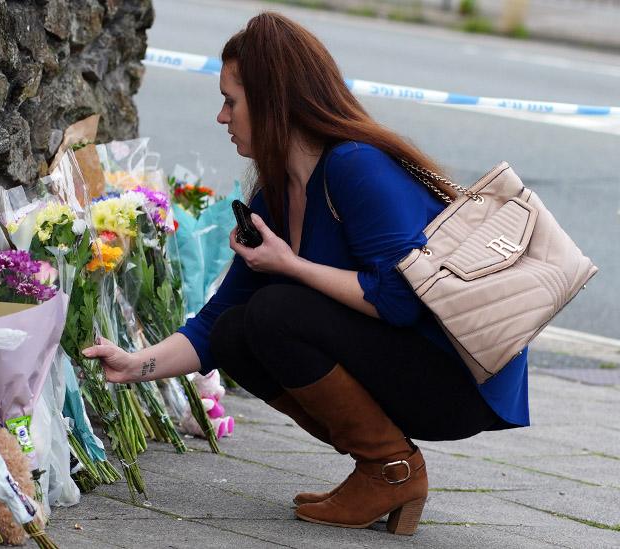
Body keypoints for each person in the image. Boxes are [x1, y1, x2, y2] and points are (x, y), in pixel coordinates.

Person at [83, 11, 529, 536]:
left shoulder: (354, 166)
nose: (221, 117)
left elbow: (402, 298)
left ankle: (391, 469)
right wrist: (132, 366)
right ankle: (381, 467)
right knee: (237, 331)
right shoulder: (272, 195)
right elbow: (215, 323)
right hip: (401, 365)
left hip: (455, 381)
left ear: (272, 104)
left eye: (231, 101)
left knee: (277, 312)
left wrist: (290, 266)